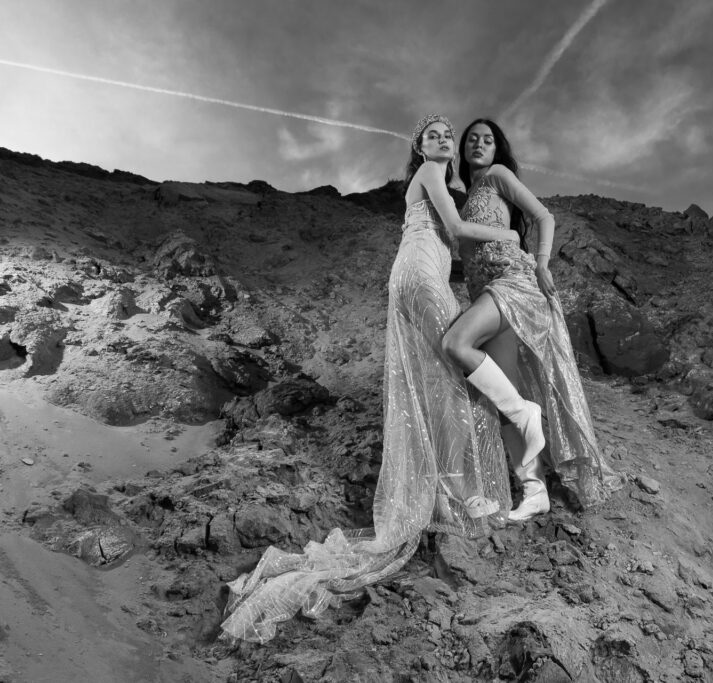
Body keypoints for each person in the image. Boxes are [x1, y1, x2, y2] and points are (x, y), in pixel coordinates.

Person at [220, 114, 521, 643]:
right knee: (454, 375)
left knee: (441, 378)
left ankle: (448, 492)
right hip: (420, 275)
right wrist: (509, 232)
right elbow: (455, 230)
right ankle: (458, 496)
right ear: (419, 146)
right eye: (433, 134)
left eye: (448, 134)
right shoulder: (430, 171)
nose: (443, 139)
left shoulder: (439, 179)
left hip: (417, 272)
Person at [442, 118, 623, 522]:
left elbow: (544, 217)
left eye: (488, 140)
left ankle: (527, 413)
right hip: (486, 293)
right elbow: (473, 257)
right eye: (472, 140)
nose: (478, 144)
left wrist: (542, 263)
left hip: (513, 283)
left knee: (456, 344)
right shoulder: (465, 202)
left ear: (497, 149)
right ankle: (535, 489)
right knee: (501, 396)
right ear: (462, 150)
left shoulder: (497, 176)